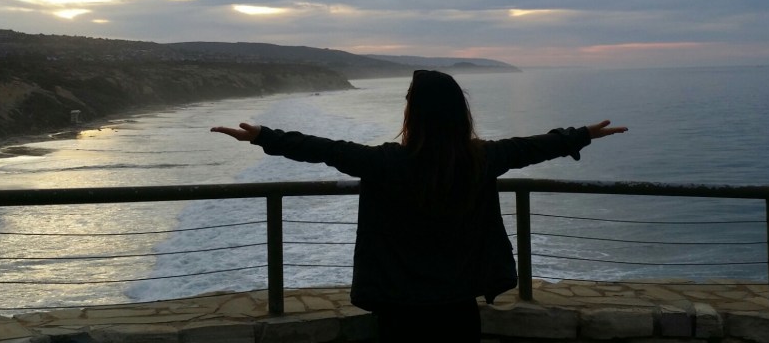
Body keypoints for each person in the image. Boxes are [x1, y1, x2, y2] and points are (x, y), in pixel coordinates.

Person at [211, 69, 627, 342]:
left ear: (415, 113)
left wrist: (264, 135)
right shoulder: (482, 159)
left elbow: (325, 149)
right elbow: (534, 147)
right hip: (459, 307)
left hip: (399, 309)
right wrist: (581, 135)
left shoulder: (385, 163)